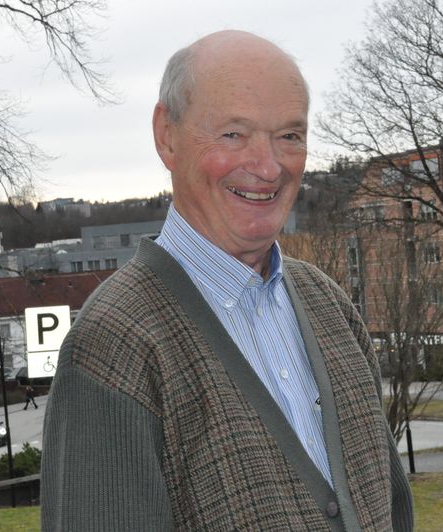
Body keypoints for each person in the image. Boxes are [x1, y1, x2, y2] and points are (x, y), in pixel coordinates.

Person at [41, 30, 413, 531]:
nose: (268, 167)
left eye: (289, 136)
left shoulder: (329, 306)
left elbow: (391, 510)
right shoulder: (115, 344)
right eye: (234, 134)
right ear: (167, 135)